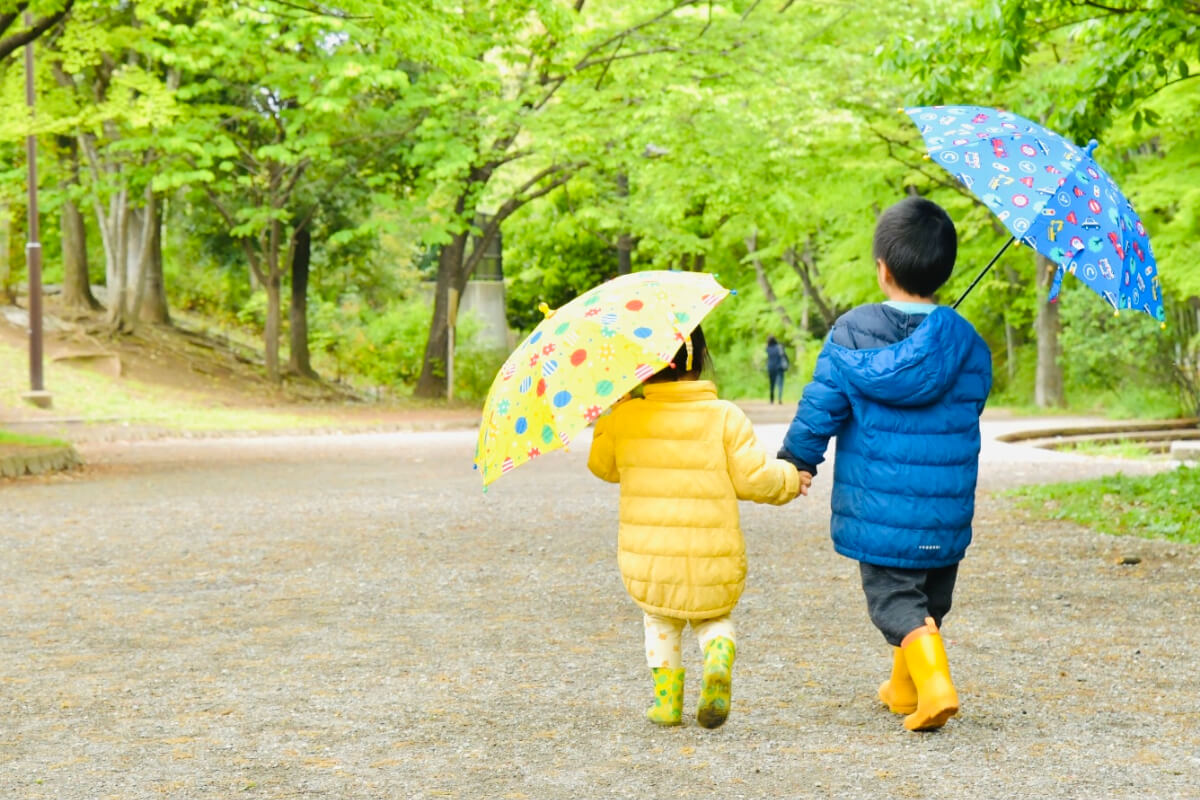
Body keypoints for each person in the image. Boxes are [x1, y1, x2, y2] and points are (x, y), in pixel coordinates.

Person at [777, 196, 992, 732]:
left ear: (882, 268)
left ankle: (937, 684)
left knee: (895, 599)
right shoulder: (966, 342)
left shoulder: (853, 332)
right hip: (944, 508)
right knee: (929, 601)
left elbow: (821, 403)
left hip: (880, 507)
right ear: (944, 271)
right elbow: (971, 404)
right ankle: (904, 687)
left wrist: (798, 459)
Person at [588, 325, 811, 729]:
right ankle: (718, 654)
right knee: (714, 616)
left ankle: (667, 704)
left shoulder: (628, 416)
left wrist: (612, 411)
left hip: (651, 558)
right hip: (714, 555)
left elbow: (603, 466)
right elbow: (754, 478)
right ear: (699, 360)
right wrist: (791, 479)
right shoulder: (725, 416)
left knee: (659, 620)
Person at [766, 335, 789, 404]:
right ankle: (779, 398)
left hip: (771, 368)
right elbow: (784, 356)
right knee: (780, 384)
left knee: (772, 384)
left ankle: (771, 399)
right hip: (779, 368)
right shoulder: (779, 347)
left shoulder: (768, 348)